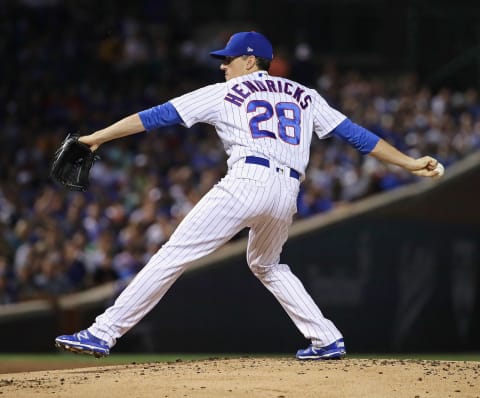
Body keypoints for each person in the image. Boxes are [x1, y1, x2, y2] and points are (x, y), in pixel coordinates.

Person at [55, 31, 442, 360]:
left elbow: (156, 116)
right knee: (267, 264)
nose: (223, 66)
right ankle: (326, 338)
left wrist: (95, 138)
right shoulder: (305, 95)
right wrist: (408, 162)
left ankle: (103, 332)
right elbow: (356, 136)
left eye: (229, 59)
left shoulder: (226, 92)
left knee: (173, 254)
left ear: (250, 59)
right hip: (287, 193)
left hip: (246, 182)